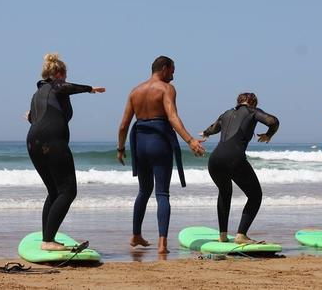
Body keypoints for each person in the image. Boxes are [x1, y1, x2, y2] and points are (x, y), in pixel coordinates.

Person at [117, 56, 205, 254]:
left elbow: (123, 125)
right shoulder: (166, 89)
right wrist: (190, 140)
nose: (173, 75)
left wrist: (121, 149)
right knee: (162, 193)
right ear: (164, 69)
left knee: (143, 191)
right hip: (159, 141)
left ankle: (136, 234)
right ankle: (162, 244)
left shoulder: (135, 91)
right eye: (172, 71)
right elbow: (172, 117)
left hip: (140, 143)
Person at [27, 53, 105, 251]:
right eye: (65, 75)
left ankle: (48, 238)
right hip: (52, 141)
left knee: (54, 191)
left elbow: (34, 118)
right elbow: (64, 87)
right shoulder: (56, 85)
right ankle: (48, 241)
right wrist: (89, 89)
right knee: (68, 191)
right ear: (60, 74)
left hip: (33, 142)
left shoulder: (37, 95)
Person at [201, 93, 279, 244]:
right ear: (252, 103)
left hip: (215, 160)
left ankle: (222, 235)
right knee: (255, 195)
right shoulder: (252, 111)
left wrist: (205, 133)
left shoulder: (226, 113)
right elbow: (273, 121)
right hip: (234, 158)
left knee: (224, 192)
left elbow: (214, 128)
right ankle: (241, 235)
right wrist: (269, 134)